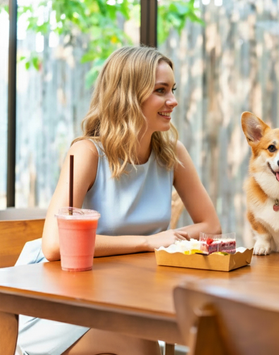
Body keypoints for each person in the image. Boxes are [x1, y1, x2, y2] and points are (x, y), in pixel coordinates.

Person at [17, 46, 221, 355]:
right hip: (62, 294)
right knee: (140, 340)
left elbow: (211, 226)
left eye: (172, 89)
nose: (173, 100)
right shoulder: (87, 154)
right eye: (160, 90)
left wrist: (164, 241)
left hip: (130, 290)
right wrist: (147, 243)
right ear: (129, 94)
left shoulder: (171, 153)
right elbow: (55, 245)